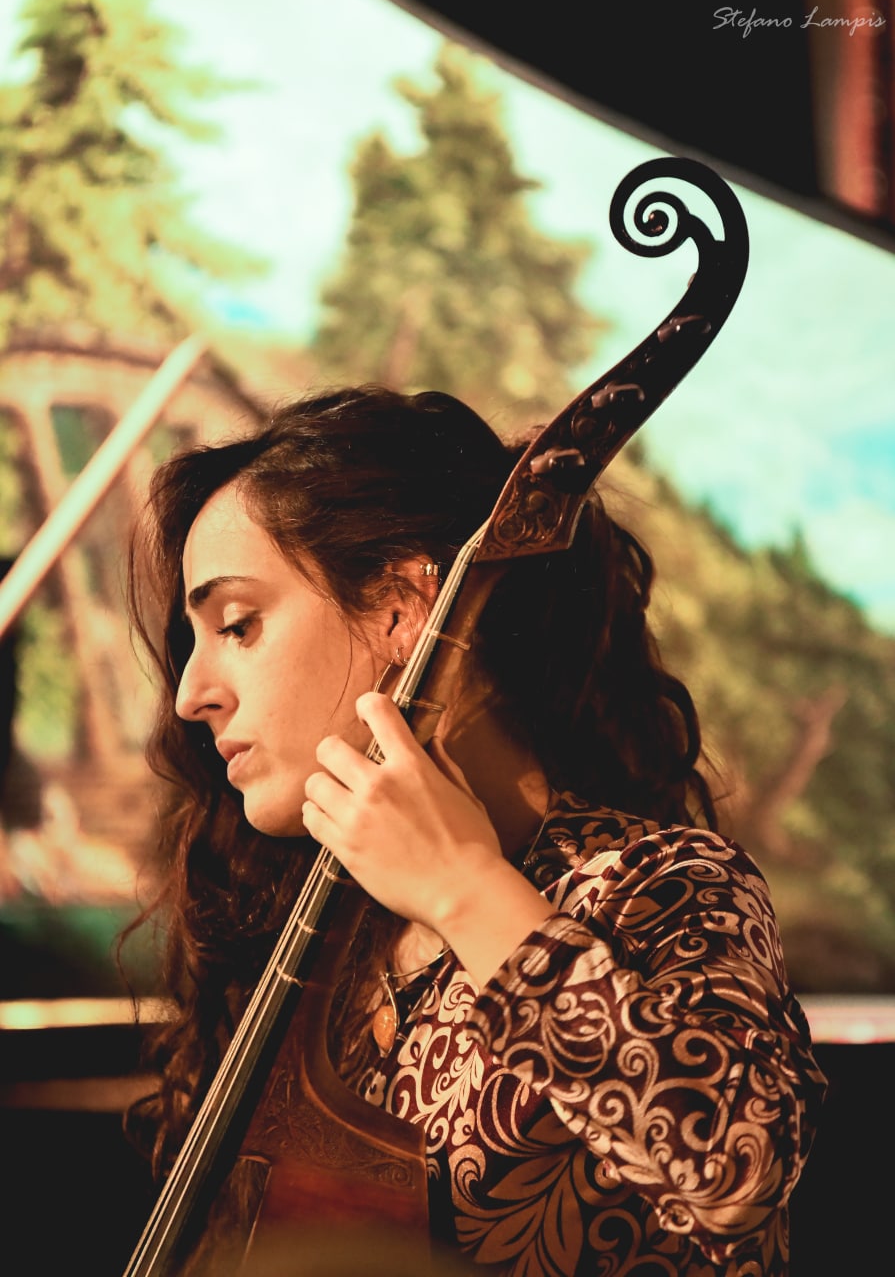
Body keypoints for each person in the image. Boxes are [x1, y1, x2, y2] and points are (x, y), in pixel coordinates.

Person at [125, 384, 826, 1277]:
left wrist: (466, 892)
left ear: (399, 610)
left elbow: (734, 1168)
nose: (191, 695)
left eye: (237, 625)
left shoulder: (655, 884)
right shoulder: (315, 946)